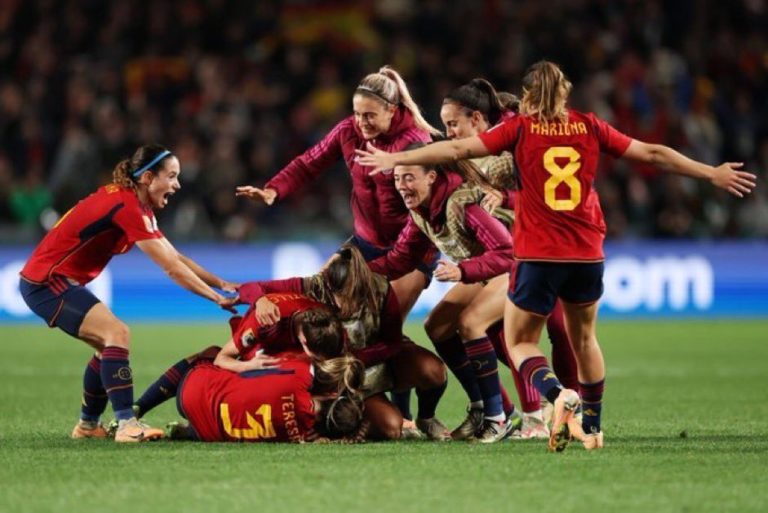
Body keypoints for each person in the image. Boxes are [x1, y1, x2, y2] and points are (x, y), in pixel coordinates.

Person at [356, 60, 756, 451]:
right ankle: (592, 426)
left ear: (528, 96)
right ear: (565, 93)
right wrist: (711, 173)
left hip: (537, 253)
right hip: (587, 252)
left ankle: (553, 397)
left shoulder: (519, 129)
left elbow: (457, 147)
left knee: (520, 343)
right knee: (585, 341)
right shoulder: (589, 124)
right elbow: (652, 154)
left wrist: (396, 158)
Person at [19, 144, 238, 442]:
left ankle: (87, 427)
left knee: (106, 345)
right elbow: (171, 269)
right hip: (47, 281)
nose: (177, 184)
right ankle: (126, 425)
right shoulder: (127, 206)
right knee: (117, 334)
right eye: (171, 176)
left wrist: (220, 283)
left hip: (54, 280)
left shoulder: (136, 205)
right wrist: (215, 299)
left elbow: (176, 257)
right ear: (148, 178)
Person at [441, 78, 580, 439]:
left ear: (478, 119)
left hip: (553, 244)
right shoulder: (466, 156)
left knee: (559, 329)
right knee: (501, 334)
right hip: (515, 255)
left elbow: (551, 195)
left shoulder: (518, 143)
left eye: (453, 124)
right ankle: (522, 411)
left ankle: (572, 408)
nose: (449, 132)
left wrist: (506, 200)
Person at [367, 146, 519, 443]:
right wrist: (361, 269)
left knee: (471, 324)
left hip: (521, 264)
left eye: (409, 177)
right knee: (436, 326)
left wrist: (463, 272)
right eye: (397, 179)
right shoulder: (421, 211)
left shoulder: (462, 203)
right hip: (485, 270)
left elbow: (507, 252)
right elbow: (401, 258)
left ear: (431, 177)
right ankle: (481, 406)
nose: (402, 186)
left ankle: (497, 418)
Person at [237, 244, 450, 441]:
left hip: (376, 362)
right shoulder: (314, 286)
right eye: (342, 297)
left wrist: (356, 358)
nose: (348, 304)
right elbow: (251, 287)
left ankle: (427, 419)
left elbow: (393, 342)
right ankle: (335, 422)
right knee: (391, 428)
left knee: (433, 370)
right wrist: (260, 300)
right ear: (330, 287)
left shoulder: (381, 289)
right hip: (337, 378)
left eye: (355, 297)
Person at [136, 349, 366, 443]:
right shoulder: (306, 436)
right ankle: (186, 431)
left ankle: (138, 407)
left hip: (192, 390)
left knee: (214, 354)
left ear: (331, 395)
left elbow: (262, 362)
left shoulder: (299, 373)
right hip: (207, 432)